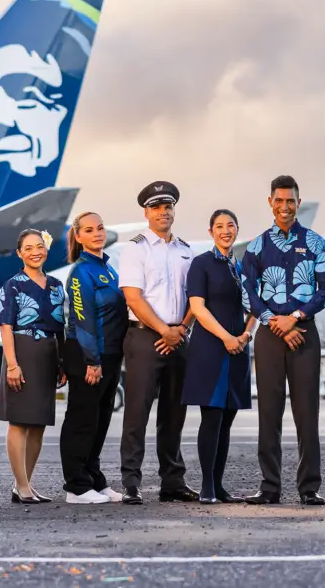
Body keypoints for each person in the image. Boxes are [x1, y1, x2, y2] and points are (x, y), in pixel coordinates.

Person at [241, 175, 325, 506]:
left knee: (306, 413)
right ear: (270, 202)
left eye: (291, 200)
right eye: (279, 200)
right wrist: (274, 322)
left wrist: (293, 318)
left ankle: (309, 488)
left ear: (298, 201)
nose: (285, 206)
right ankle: (270, 487)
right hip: (269, 335)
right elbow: (247, 290)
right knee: (269, 413)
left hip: (304, 334)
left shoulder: (316, 244)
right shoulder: (256, 246)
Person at [118, 181, 198, 505]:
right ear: (146, 212)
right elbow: (133, 298)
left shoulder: (186, 250)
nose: (163, 212)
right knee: (137, 411)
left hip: (179, 337)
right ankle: (131, 482)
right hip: (144, 337)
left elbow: (196, 297)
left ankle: (172, 482)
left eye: (168, 206)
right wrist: (164, 329)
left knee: (174, 413)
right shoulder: (135, 249)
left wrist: (180, 330)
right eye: (156, 207)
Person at [183, 209, 258, 504]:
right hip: (211, 349)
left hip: (238, 349)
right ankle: (207, 487)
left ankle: (219, 484)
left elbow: (256, 307)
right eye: (219, 226)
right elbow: (198, 308)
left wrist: (246, 335)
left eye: (230, 226)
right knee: (212, 417)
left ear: (237, 229)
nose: (225, 230)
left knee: (227, 420)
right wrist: (227, 337)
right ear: (210, 231)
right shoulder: (202, 264)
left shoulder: (241, 268)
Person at [60, 211, 129, 504]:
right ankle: (76, 486)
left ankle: (94, 479)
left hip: (111, 354)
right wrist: (92, 360)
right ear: (78, 237)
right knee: (82, 419)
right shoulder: (80, 272)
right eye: (89, 230)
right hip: (87, 355)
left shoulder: (110, 271)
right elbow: (83, 318)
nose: (97, 233)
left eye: (100, 228)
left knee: (101, 420)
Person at [0, 228, 67, 504]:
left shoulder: (56, 285)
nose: (35, 251)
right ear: (19, 253)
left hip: (49, 352)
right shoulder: (13, 285)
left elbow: (60, 326)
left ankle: (24, 484)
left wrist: (61, 361)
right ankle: (22, 486)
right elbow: (6, 326)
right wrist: (12, 365)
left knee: (38, 423)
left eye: (39, 246)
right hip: (22, 351)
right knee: (19, 421)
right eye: (28, 248)